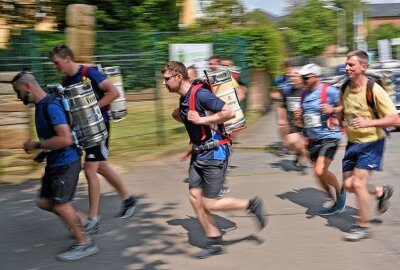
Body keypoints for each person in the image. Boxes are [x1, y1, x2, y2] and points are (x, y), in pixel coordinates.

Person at [161, 61, 266, 259]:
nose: (163, 83)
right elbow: (187, 116)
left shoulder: (201, 94)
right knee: (194, 198)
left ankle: (251, 204)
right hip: (198, 154)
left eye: (167, 79)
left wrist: (201, 120)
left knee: (209, 204)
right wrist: (180, 115)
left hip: (214, 153)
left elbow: (229, 112)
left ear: (179, 77)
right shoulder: (184, 98)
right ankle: (214, 240)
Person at [48, 44, 136, 235]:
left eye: (56, 63)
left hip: (99, 127)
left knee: (90, 170)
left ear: (67, 59)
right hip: (83, 131)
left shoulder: (90, 73)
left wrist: (93, 109)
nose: (55, 66)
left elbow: (113, 92)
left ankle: (93, 218)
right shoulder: (66, 79)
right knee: (101, 167)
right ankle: (128, 199)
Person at [11, 71, 99, 261]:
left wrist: (36, 145)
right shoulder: (41, 106)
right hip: (54, 162)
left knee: (61, 205)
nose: (18, 97)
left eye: (18, 92)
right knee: (44, 201)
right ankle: (84, 222)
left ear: (27, 87)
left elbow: (65, 139)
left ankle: (84, 243)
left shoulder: (51, 105)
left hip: (66, 162)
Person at [339, 50, 396, 241]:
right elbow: (345, 108)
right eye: (346, 64)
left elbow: (394, 119)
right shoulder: (345, 86)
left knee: (358, 183)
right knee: (348, 184)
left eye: (351, 65)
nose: (347, 68)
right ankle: (380, 191)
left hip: (372, 142)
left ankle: (363, 225)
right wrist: (334, 115)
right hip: (352, 142)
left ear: (363, 67)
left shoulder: (374, 89)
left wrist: (368, 123)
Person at [295, 63, 346, 215]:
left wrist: (333, 109)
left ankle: (340, 192)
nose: (302, 80)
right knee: (318, 174)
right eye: (302, 77)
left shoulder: (329, 91)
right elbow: (305, 119)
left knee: (320, 170)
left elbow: (345, 106)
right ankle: (334, 201)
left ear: (316, 77)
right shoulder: (304, 94)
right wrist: (299, 118)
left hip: (330, 136)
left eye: (305, 77)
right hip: (313, 139)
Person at [279, 67, 308, 172]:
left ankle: (301, 155)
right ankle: (299, 153)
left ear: (301, 77)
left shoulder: (307, 90)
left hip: (307, 122)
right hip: (293, 122)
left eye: (296, 75)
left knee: (304, 144)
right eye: (291, 75)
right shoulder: (286, 91)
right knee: (291, 141)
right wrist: (282, 118)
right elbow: (282, 105)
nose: (294, 77)